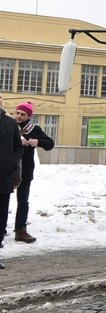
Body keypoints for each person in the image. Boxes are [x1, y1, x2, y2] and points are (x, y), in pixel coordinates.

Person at [11, 101, 54, 243]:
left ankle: (20, 230)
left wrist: (37, 141)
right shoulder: (9, 125)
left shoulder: (34, 129)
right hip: (8, 168)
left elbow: (50, 144)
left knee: (23, 201)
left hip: (25, 170)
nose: (19, 116)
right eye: (17, 113)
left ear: (29, 116)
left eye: (22, 114)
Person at [0, 93, 25, 269]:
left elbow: (18, 146)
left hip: (3, 177)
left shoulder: (10, 123)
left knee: (1, 217)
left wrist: (13, 162)